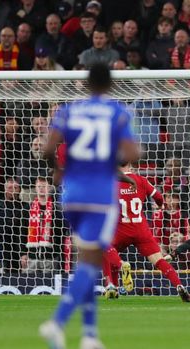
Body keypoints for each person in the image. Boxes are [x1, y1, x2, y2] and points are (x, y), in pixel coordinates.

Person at [39, 63, 140, 349]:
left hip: (71, 194)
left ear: (86, 84)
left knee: (88, 261)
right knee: (91, 263)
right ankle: (57, 322)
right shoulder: (117, 112)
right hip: (99, 195)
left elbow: (47, 150)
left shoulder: (69, 111)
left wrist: (58, 169)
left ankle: (90, 336)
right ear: (110, 85)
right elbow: (131, 154)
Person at [102, 162, 190, 302]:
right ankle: (179, 285)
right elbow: (159, 198)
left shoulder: (111, 182)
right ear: (130, 164)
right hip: (141, 229)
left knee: (106, 249)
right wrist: (161, 206)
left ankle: (112, 285)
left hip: (121, 229)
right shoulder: (141, 180)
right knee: (159, 260)